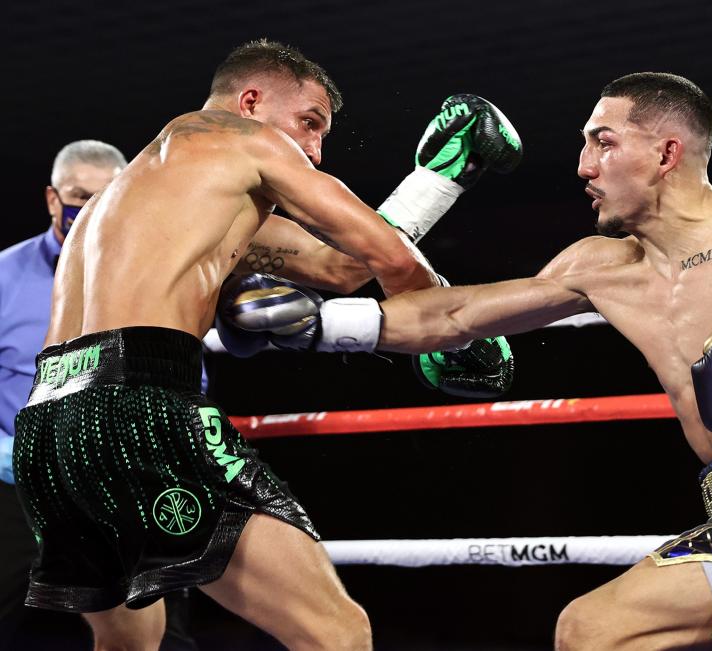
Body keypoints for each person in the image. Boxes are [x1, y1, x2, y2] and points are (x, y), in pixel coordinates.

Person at [232, 72, 712, 649]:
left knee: (593, 629)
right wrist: (326, 322)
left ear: (666, 153)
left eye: (603, 143)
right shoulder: (601, 267)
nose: (583, 166)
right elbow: (453, 315)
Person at [12, 39, 520, 651]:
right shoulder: (243, 138)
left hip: (48, 433)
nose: (312, 149)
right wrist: (444, 327)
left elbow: (338, 268)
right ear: (250, 101)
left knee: (130, 645)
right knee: (337, 633)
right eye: (308, 123)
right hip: (141, 409)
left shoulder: (148, 193)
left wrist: (436, 181)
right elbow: (387, 257)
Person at [0, 141, 198, 650]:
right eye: (76, 195)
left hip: (126, 479)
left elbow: (185, 380)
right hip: (14, 488)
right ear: (51, 198)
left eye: (102, 196)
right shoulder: (3, 276)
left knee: (161, 634)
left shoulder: (159, 275)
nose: (86, 208)